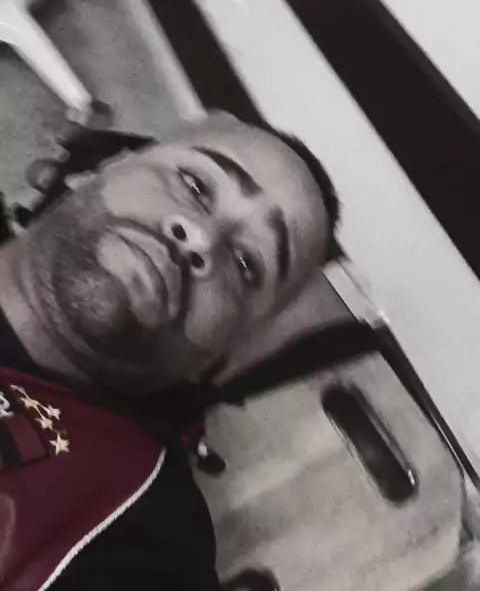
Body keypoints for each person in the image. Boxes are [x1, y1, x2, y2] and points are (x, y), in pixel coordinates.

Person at [0, 111, 339, 591]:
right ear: (97, 170)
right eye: (196, 186)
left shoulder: (142, 530)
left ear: (221, 354)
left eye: (247, 264)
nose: (201, 238)